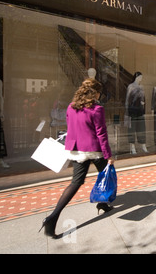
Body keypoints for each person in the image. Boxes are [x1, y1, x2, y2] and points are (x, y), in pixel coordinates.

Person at [39, 78, 115, 239]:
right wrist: (109, 156)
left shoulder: (71, 106)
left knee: (76, 182)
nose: (99, 95)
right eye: (99, 92)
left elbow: (70, 125)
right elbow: (101, 133)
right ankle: (102, 202)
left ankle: (52, 218)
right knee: (107, 174)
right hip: (93, 149)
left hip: (76, 149)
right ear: (94, 92)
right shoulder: (97, 109)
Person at [125, 72, 148, 154]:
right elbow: (128, 100)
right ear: (137, 77)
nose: (141, 79)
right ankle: (132, 146)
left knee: (142, 128)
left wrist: (144, 109)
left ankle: (143, 145)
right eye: (140, 77)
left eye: (142, 77)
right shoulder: (131, 86)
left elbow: (144, 99)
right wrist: (127, 112)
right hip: (132, 111)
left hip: (140, 111)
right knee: (132, 129)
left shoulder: (141, 87)